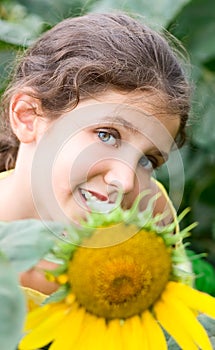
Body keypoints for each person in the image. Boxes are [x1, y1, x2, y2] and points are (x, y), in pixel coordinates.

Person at [0, 12, 191, 294]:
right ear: (28, 116)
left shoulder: (150, 214)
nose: (125, 181)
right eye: (107, 136)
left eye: (146, 160)